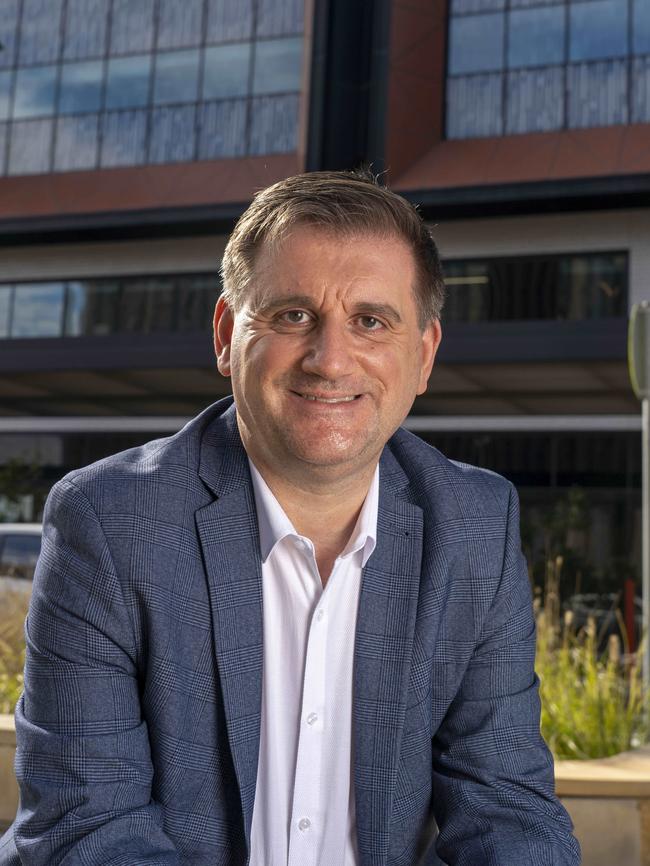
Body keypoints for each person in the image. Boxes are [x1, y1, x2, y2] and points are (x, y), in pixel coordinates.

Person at [0, 171, 580, 866]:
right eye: (292, 315)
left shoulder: (474, 526)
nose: (330, 359)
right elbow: (87, 831)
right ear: (226, 335)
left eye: (370, 320)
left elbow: (508, 812)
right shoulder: (111, 521)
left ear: (423, 355)